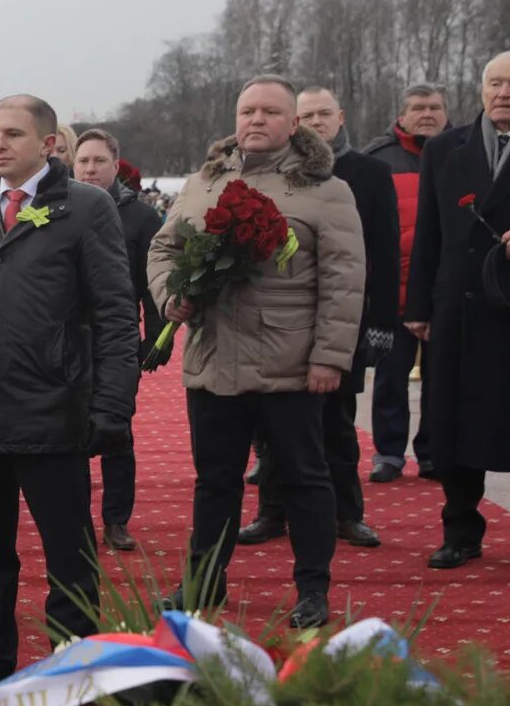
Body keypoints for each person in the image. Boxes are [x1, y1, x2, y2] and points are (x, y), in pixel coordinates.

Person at [0, 98, 137, 701]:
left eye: (12, 133)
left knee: (68, 553)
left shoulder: (86, 208)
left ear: (47, 143)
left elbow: (116, 312)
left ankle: (73, 667)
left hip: (53, 407)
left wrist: (113, 404)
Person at [147, 75, 365, 628]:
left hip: (290, 362)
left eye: (271, 111)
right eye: (248, 111)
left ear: (294, 123)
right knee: (214, 481)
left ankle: (312, 589)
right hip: (214, 358)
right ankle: (204, 583)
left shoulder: (325, 190)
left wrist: (329, 358)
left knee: (304, 478)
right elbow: (164, 246)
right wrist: (172, 293)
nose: (256, 120)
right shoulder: (204, 182)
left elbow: (344, 281)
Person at [404, 51, 510, 577]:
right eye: (496, 83)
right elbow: (430, 233)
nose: (505, 93)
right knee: (456, 422)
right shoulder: (444, 149)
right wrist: (417, 307)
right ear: (480, 89)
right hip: (461, 308)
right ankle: (460, 534)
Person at [242, 88, 400, 551]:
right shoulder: (274, 170)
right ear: (294, 122)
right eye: (306, 115)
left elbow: (384, 255)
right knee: (272, 427)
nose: (315, 122)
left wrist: (381, 323)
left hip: (341, 320)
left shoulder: (370, 173)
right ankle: (272, 512)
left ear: (340, 117)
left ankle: (347, 514)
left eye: (323, 114)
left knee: (337, 426)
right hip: (278, 325)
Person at [71, 128, 163, 552]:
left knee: (117, 433)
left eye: (99, 162)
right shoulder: (59, 209)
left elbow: (153, 283)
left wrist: (155, 337)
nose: (90, 169)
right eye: (83, 161)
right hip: (67, 341)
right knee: (67, 434)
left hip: (116, 341)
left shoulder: (142, 218)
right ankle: (75, 521)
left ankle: (116, 520)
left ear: (116, 165)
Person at [363, 83, 451, 482]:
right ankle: (389, 453)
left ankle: (434, 452)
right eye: (418, 107)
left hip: (445, 292)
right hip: (392, 291)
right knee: (390, 379)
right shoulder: (378, 160)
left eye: (435, 107)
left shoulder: (463, 155)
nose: (427, 114)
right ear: (402, 113)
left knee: (444, 379)